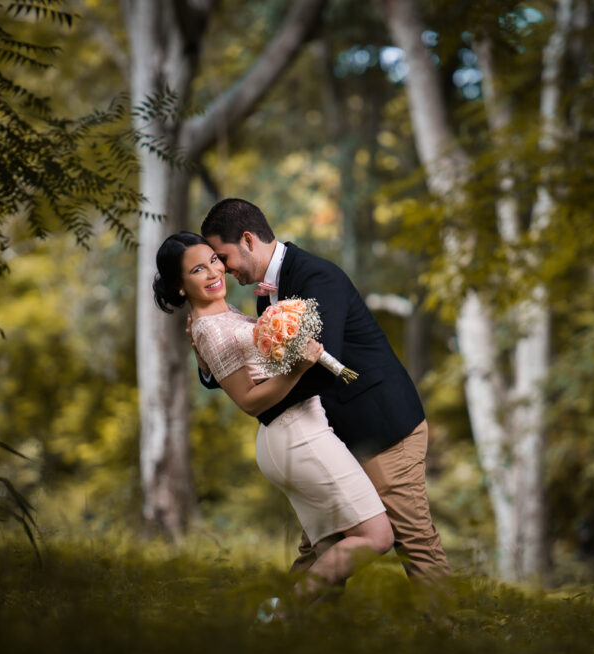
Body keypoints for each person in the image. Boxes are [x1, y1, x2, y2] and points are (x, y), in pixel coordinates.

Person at [196, 198, 450, 583]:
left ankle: (447, 638)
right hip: (332, 437)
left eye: (223, 257)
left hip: (382, 429)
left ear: (247, 240)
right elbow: (251, 360)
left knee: (413, 542)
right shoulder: (268, 293)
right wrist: (209, 368)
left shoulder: (317, 277)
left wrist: (260, 406)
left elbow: (321, 369)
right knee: (322, 546)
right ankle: (293, 632)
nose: (222, 269)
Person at [153, 231, 394, 604]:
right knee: (378, 537)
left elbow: (249, 355)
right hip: (296, 434)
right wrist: (298, 368)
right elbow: (249, 401)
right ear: (179, 286)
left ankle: (295, 643)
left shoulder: (220, 315)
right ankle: (278, 618)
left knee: (329, 557)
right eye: (197, 269)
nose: (214, 271)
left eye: (214, 260)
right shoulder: (210, 329)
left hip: (297, 431)